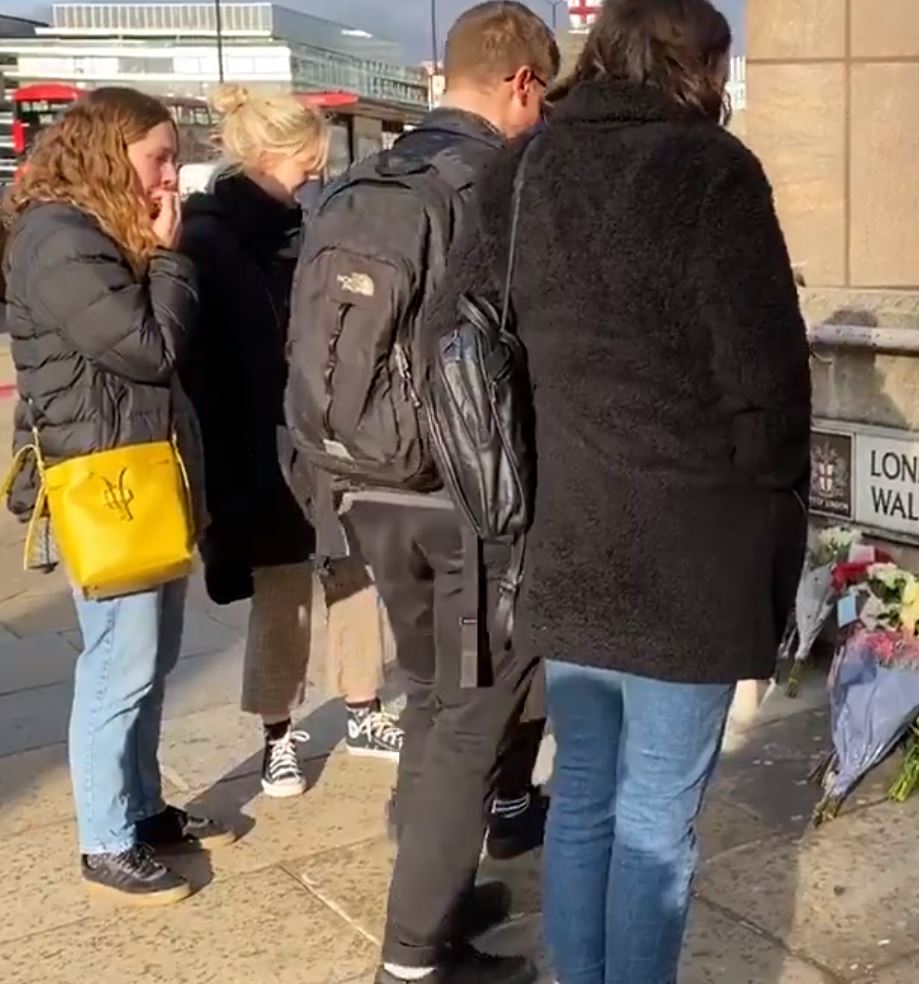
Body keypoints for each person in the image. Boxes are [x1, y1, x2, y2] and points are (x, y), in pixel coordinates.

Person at [437, 0, 811, 979]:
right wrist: (774, 513)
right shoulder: (710, 172)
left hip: (567, 536)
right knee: (654, 814)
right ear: (692, 67)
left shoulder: (524, 169)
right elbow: (765, 385)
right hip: (688, 553)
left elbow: (467, 339)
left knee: (589, 792)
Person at [287, 5, 557, 982]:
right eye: (544, 97)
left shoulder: (365, 178)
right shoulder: (498, 183)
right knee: (468, 717)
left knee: (434, 700)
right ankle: (414, 960)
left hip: (360, 487)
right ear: (522, 83)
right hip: (459, 500)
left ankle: (434, 896)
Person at [3, 87, 236, 906]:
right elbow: (148, 348)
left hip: (137, 472)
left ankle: (141, 809)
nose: (169, 177)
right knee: (119, 666)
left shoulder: (87, 232)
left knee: (151, 658)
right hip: (108, 482)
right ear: (109, 153)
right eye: (158, 159)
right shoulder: (61, 239)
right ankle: (105, 841)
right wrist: (170, 258)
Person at [177, 85, 404, 800]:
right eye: (308, 163)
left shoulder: (300, 225)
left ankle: (362, 707)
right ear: (270, 155)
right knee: (283, 587)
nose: (315, 175)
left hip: (319, 426)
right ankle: (277, 732)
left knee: (352, 569)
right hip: (259, 438)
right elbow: (209, 356)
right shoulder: (211, 236)